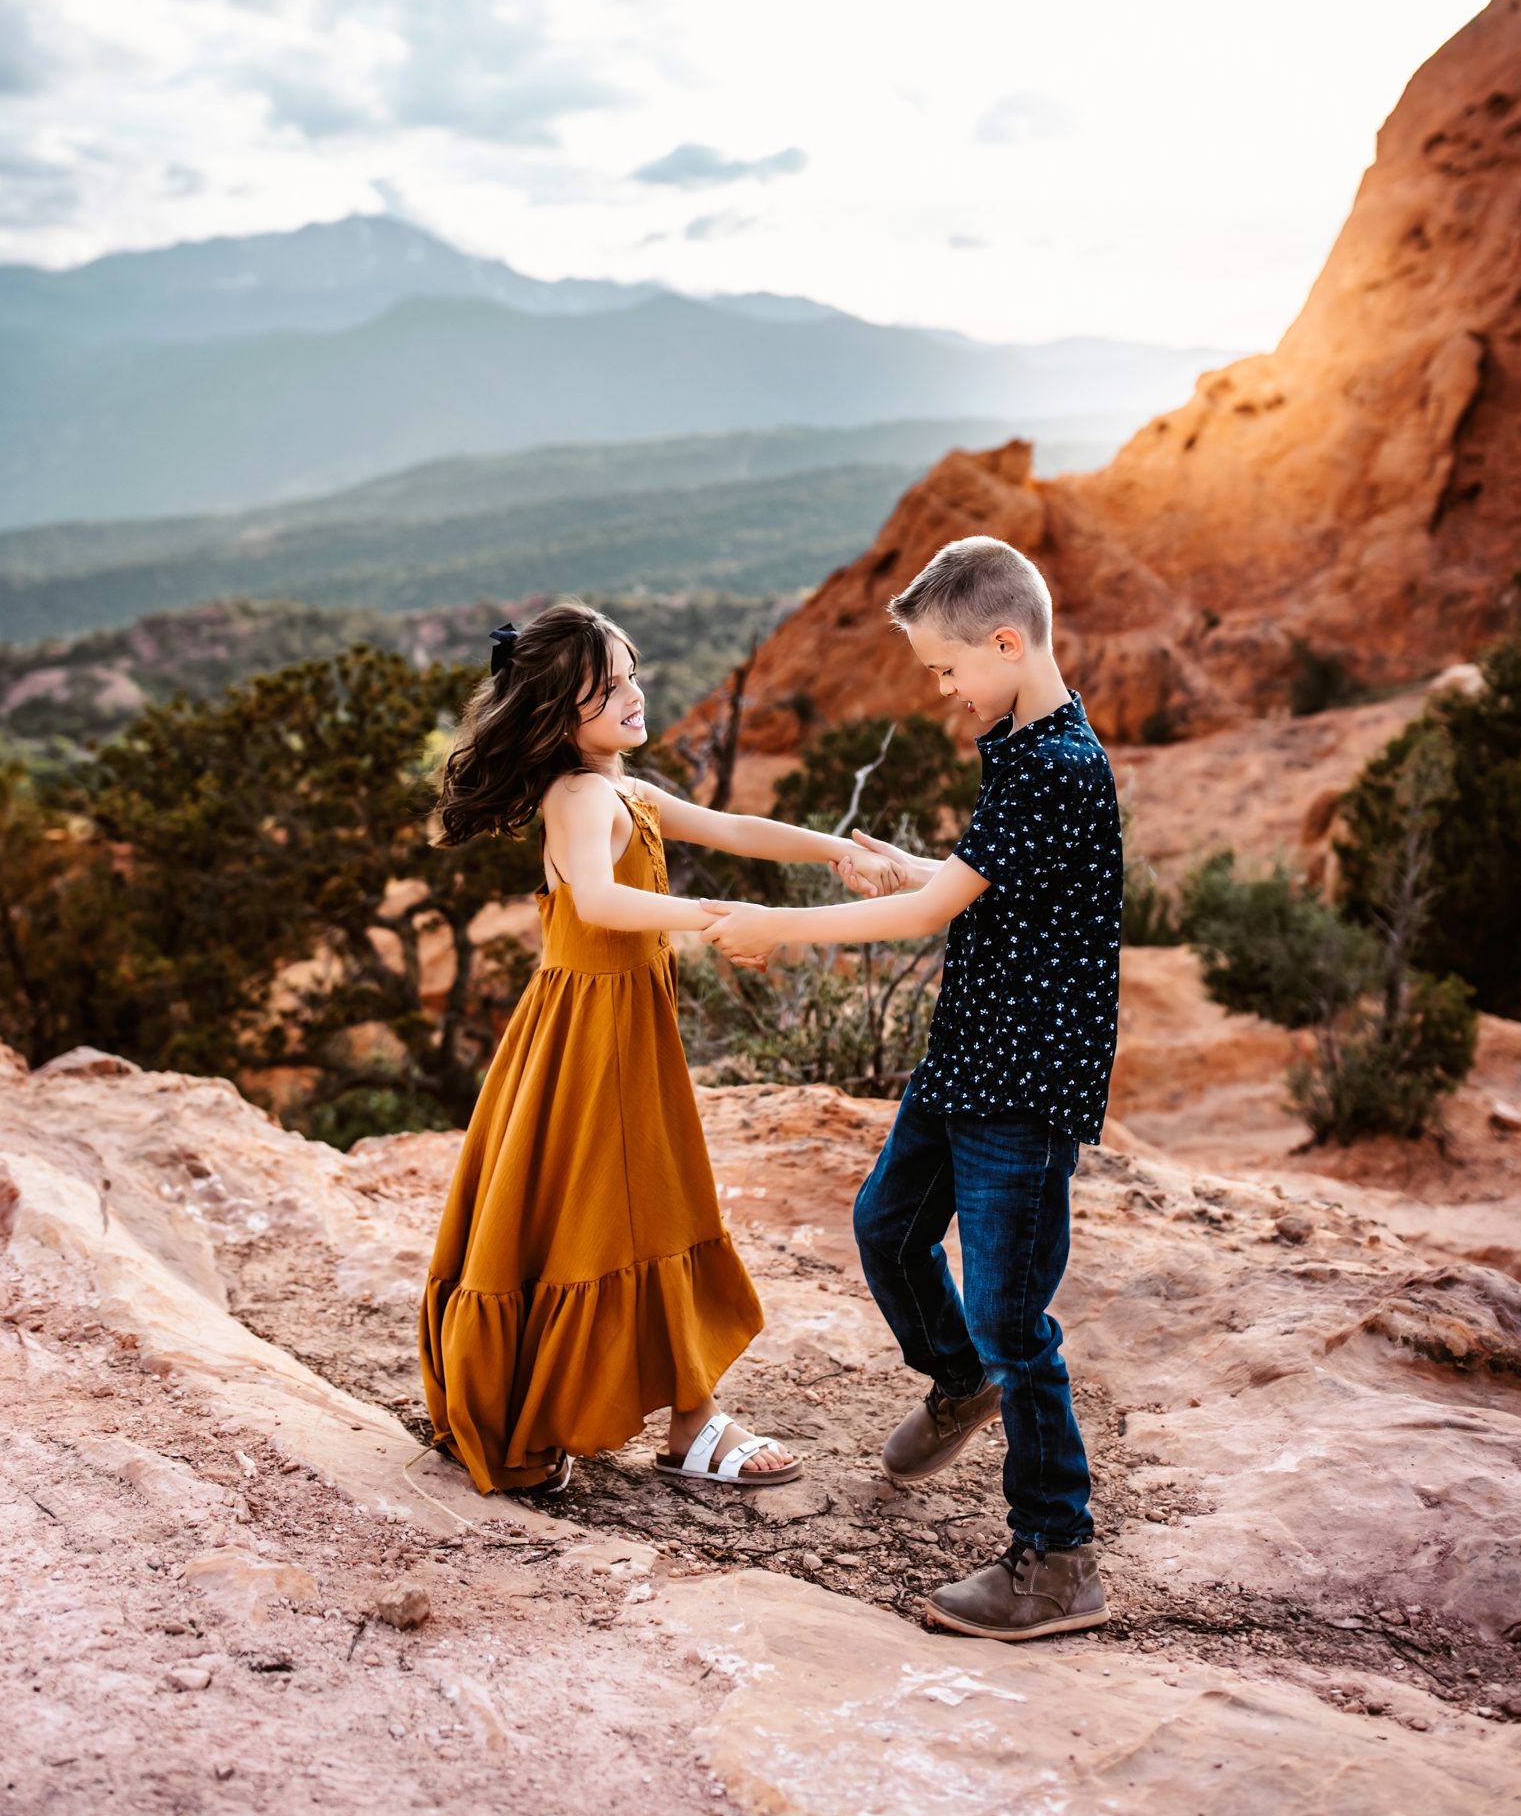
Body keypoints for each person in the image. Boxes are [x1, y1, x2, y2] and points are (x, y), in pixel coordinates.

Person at [701, 536, 1122, 1638]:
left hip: (1022, 1084)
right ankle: (956, 1381)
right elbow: (975, 886)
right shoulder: (1021, 742)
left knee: (1011, 1314)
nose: (941, 691)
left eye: (945, 669)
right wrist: (912, 868)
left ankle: (1056, 1557)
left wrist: (780, 928)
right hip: (968, 1055)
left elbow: (936, 911)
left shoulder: (1058, 765)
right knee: (886, 1225)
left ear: (1003, 639)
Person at [419, 600, 902, 1496]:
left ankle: (613, 1411)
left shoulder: (624, 790)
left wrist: (836, 849)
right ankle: (688, 1424)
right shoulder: (576, 795)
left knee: (598, 1213)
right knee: (649, 1208)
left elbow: (732, 829)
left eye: (634, 673)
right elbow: (598, 902)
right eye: (609, 688)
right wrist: (717, 918)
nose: (635, 695)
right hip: (590, 1035)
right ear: (562, 714)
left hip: (619, 1024)